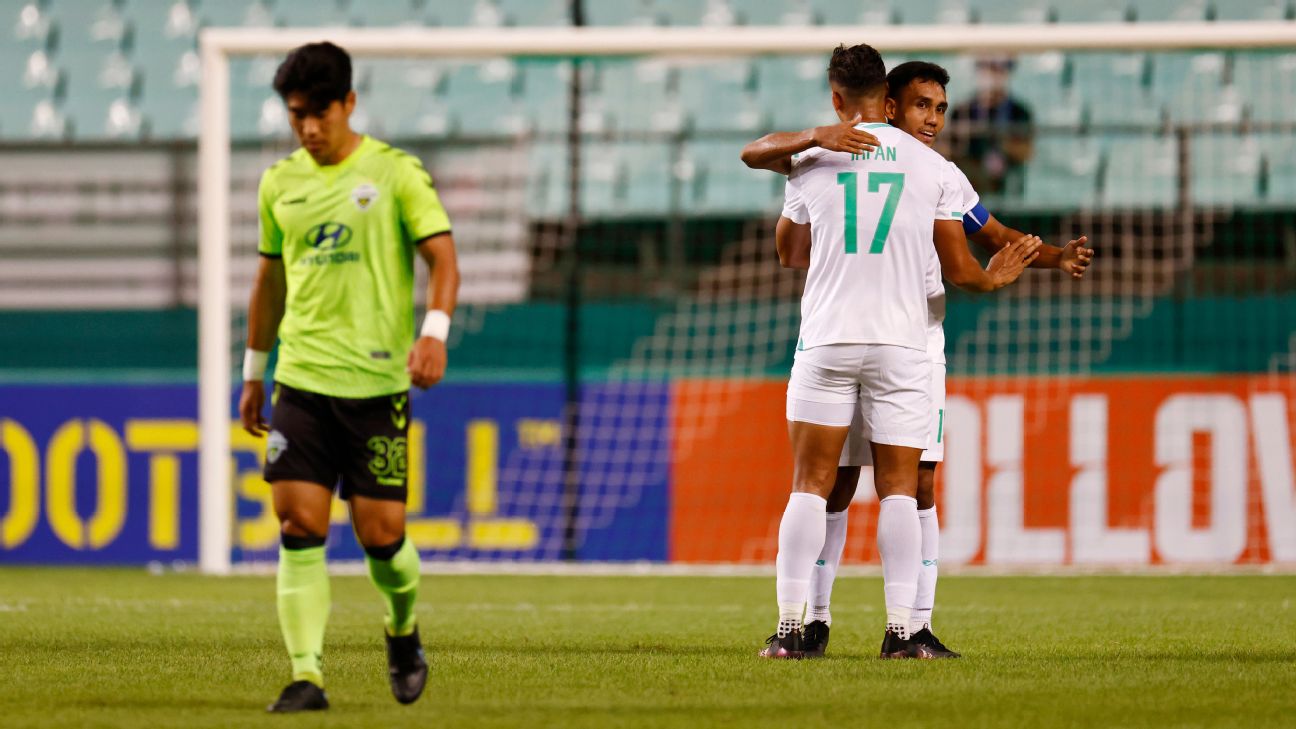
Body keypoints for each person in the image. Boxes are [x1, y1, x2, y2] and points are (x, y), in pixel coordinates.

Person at [742, 60, 1094, 659]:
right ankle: (904, 632)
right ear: (888, 100)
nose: (932, 118)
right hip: (903, 342)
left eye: (940, 108)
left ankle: (791, 630)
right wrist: (990, 282)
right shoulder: (934, 170)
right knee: (901, 487)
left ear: (836, 98)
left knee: (813, 485)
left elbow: (788, 250)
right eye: (922, 105)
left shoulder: (811, 159)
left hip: (828, 336)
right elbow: (966, 263)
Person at [238, 41, 460, 712]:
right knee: (297, 523)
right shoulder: (280, 183)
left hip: (375, 387)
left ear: (349, 104)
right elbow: (269, 282)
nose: (307, 128)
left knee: (382, 536)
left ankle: (401, 629)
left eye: (319, 113)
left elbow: (443, 261)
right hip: (300, 379)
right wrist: (254, 372)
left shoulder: (395, 173)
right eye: (296, 114)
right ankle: (307, 674)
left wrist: (433, 332)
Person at [948, 56, 1034, 197]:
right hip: (971, 191)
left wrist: (1001, 143)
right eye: (988, 68)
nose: (993, 76)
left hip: (1009, 190)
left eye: (1000, 69)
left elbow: (1027, 152)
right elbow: (951, 154)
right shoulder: (962, 111)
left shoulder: (1020, 112)